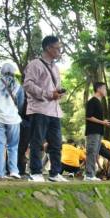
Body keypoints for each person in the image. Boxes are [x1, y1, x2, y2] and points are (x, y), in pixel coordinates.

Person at [23, 35, 67, 182]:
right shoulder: (35, 64)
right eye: (57, 48)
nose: (59, 51)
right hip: (39, 109)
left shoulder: (55, 68)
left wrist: (58, 93)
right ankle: (35, 172)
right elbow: (28, 84)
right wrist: (48, 94)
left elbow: (54, 88)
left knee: (56, 144)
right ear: (48, 48)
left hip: (54, 111)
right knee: (37, 142)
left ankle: (55, 173)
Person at [84, 82, 110, 181]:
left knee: (95, 153)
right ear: (99, 89)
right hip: (93, 131)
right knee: (91, 152)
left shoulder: (99, 102)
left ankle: (91, 174)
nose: (106, 91)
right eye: (104, 88)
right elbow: (88, 116)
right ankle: (89, 175)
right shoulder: (92, 101)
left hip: (99, 132)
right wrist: (102, 122)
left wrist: (104, 122)